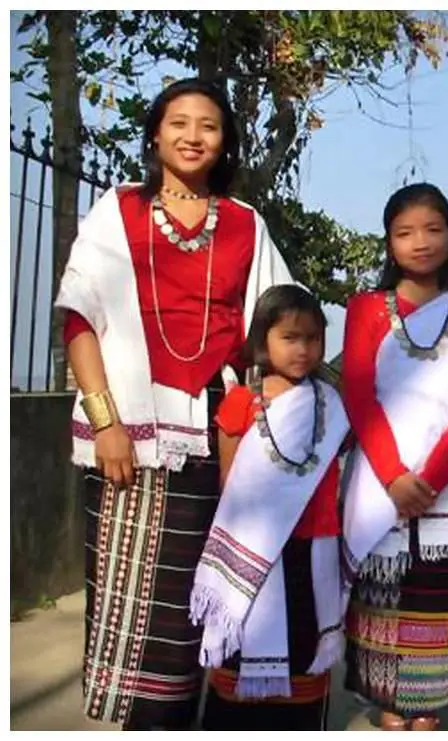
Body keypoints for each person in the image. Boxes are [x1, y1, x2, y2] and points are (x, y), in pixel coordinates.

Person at [53, 78, 293, 730]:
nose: (192, 136)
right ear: (156, 134)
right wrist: (106, 423)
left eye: (208, 125)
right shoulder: (118, 209)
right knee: (132, 602)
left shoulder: (245, 223)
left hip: (220, 433)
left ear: (225, 141)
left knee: (206, 596)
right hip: (130, 431)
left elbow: (280, 322)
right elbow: (79, 318)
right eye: (179, 122)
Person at [339, 183, 448, 731]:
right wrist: (393, 476)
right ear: (388, 242)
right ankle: (388, 705)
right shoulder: (365, 308)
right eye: (405, 232)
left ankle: (427, 708)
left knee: (435, 602)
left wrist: (429, 480)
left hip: (446, 487)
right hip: (378, 483)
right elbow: (358, 393)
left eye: (433, 229)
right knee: (381, 602)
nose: (420, 242)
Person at [189, 284, 348, 730]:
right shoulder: (241, 403)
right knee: (241, 655)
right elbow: (230, 485)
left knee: (304, 654)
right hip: (255, 550)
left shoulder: (330, 405)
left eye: (312, 338)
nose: (303, 349)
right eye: (290, 337)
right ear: (262, 339)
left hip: (312, 548)